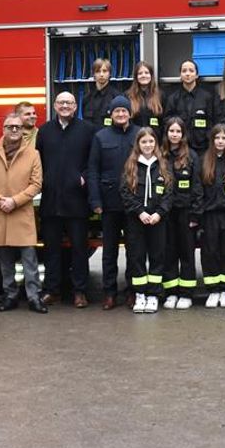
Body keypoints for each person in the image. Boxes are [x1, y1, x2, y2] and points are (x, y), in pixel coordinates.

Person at [35, 92, 95, 308]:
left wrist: (84, 178)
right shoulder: (44, 131)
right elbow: (37, 161)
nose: (65, 106)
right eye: (61, 103)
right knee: (51, 249)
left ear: (75, 106)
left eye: (69, 103)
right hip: (51, 201)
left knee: (80, 249)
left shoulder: (87, 130)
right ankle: (53, 290)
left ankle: (80, 291)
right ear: (54, 106)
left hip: (77, 202)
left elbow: (93, 161)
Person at [0, 112, 46, 314]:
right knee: (5, 263)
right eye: (10, 126)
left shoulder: (33, 154)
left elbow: (36, 184)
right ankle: (10, 297)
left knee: (30, 261)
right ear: (3, 129)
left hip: (21, 214)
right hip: (0, 214)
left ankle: (34, 298)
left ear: (23, 130)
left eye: (18, 127)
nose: (14, 130)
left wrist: (14, 201)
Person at [87, 95, 139, 309]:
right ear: (111, 114)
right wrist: (95, 200)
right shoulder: (100, 137)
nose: (120, 114)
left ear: (130, 113)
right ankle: (109, 293)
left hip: (134, 203)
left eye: (124, 110)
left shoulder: (139, 135)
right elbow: (93, 171)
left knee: (134, 251)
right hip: (109, 204)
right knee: (109, 252)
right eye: (116, 111)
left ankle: (132, 291)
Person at [121, 127, 174, 313]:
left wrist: (159, 213)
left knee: (157, 257)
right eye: (144, 142)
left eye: (151, 141)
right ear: (138, 144)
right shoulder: (131, 165)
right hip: (137, 221)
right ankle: (140, 294)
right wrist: (140, 212)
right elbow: (125, 193)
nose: (148, 145)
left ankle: (153, 295)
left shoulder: (164, 165)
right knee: (136, 257)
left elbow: (169, 193)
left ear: (156, 144)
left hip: (158, 221)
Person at [162, 116, 203, 309]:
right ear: (166, 133)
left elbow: (197, 186)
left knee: (187, 253)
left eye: (178, 131)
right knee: (169, 252)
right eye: (171, 131)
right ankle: (171, 292)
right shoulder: (160, 154)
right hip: (166, 213)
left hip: (186, 213)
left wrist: (196, 214)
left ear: (183, 134)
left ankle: (186, 294)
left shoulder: (192, 156)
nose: (175, 135)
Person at [199, 124, 225, 308]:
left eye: (224, 138)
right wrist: (199, 216)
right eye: (217, 138)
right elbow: (198, 191)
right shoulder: (204, 161)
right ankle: (213, 290)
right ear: (212, 140)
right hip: (209, 215)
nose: (220, 141)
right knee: (210, 252)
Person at [126, 60, 164, 135]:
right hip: (133, 139)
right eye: (140, 73)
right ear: (136, 77)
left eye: (146, 73)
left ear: (151, 75)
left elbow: (164, 121)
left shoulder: (161, 95)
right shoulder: (127, 96)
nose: (143, 75)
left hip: (155, 140)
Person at [82, 57, 122, 128]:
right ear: (93, 74)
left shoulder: (116, 97)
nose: (101, 74)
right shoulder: (87, 98)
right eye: (98, 71)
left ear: (110, 73)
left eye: (104, 71)